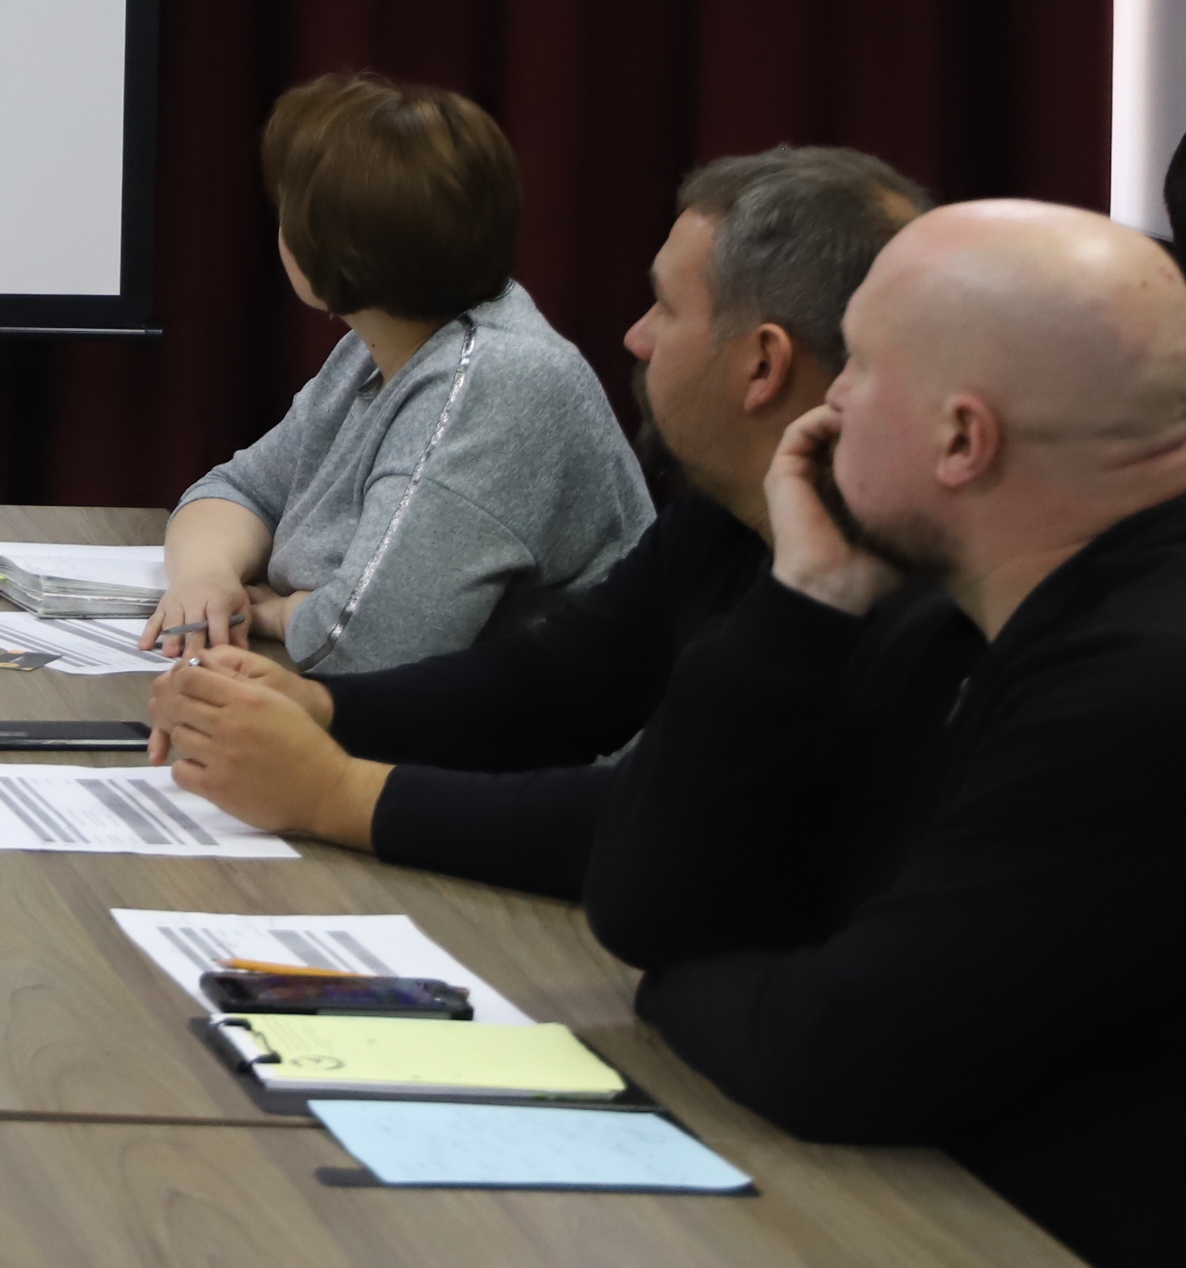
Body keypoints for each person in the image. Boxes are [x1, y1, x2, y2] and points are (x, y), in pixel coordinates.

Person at [580, 200, 1186, 1268]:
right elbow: (646, 900)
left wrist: (676, 981)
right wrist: (803, 598)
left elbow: (838, 1048)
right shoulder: (938, 610)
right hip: (940, 1240)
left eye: (859, 364)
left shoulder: (1140, 686)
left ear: (961, 441)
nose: (830, 402)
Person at [152, 145, 927, 891]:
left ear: (763, 364)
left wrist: (335, 794)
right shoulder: (723, 521)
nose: (636, 337)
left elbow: (660, 829)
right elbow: (554, 682)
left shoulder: (888, 598)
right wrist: (323, 707)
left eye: (665, 306)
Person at [145, 71, 647, 675]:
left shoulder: (498, 380)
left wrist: (277, 615)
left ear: (319, 247)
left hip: (531, 732)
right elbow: (239, 490)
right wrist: (207, 578)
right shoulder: (377, 345)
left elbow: (364, 645)